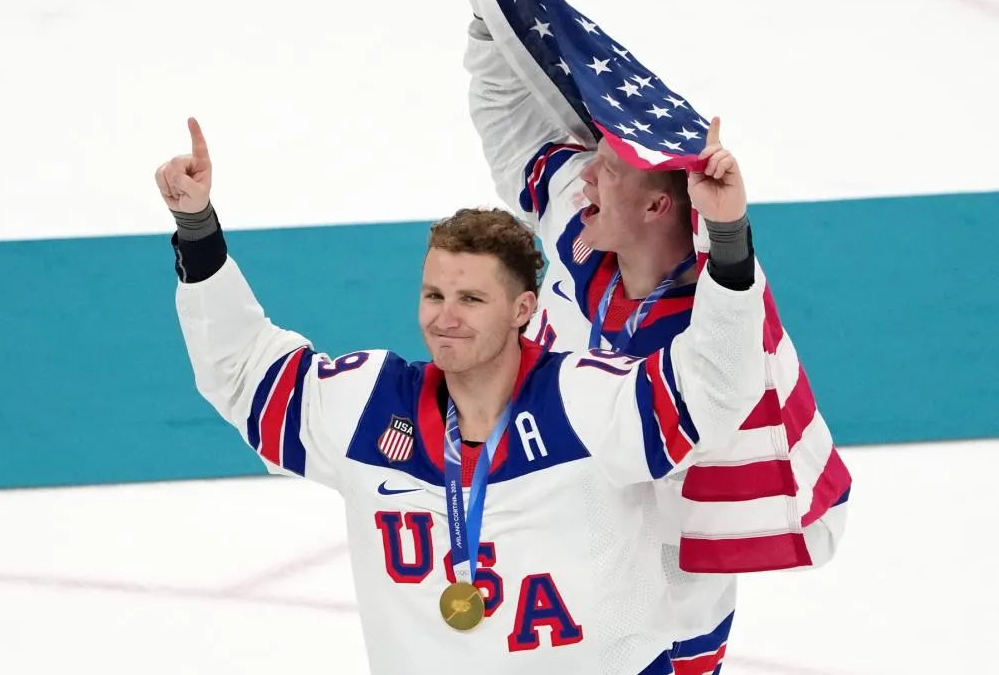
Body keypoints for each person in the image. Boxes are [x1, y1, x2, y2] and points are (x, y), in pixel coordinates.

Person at [157, 115, 772, 675]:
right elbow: (243, 371)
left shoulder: (584, 401)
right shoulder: (370, 407)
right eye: (434, 296)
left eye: (472, 299)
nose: (445, 319)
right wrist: (197, 230)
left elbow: (713, 390)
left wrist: (727, 237)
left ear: (523, 309)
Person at [461, 0, 851, 671]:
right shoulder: (583, 229)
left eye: (606, 170)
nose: (584, 177)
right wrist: (492, 17)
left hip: (669, 570)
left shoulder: (709, 330)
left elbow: (734, 306)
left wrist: (729, 228)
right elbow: (512, 133)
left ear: (654, 207)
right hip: (555, 537)